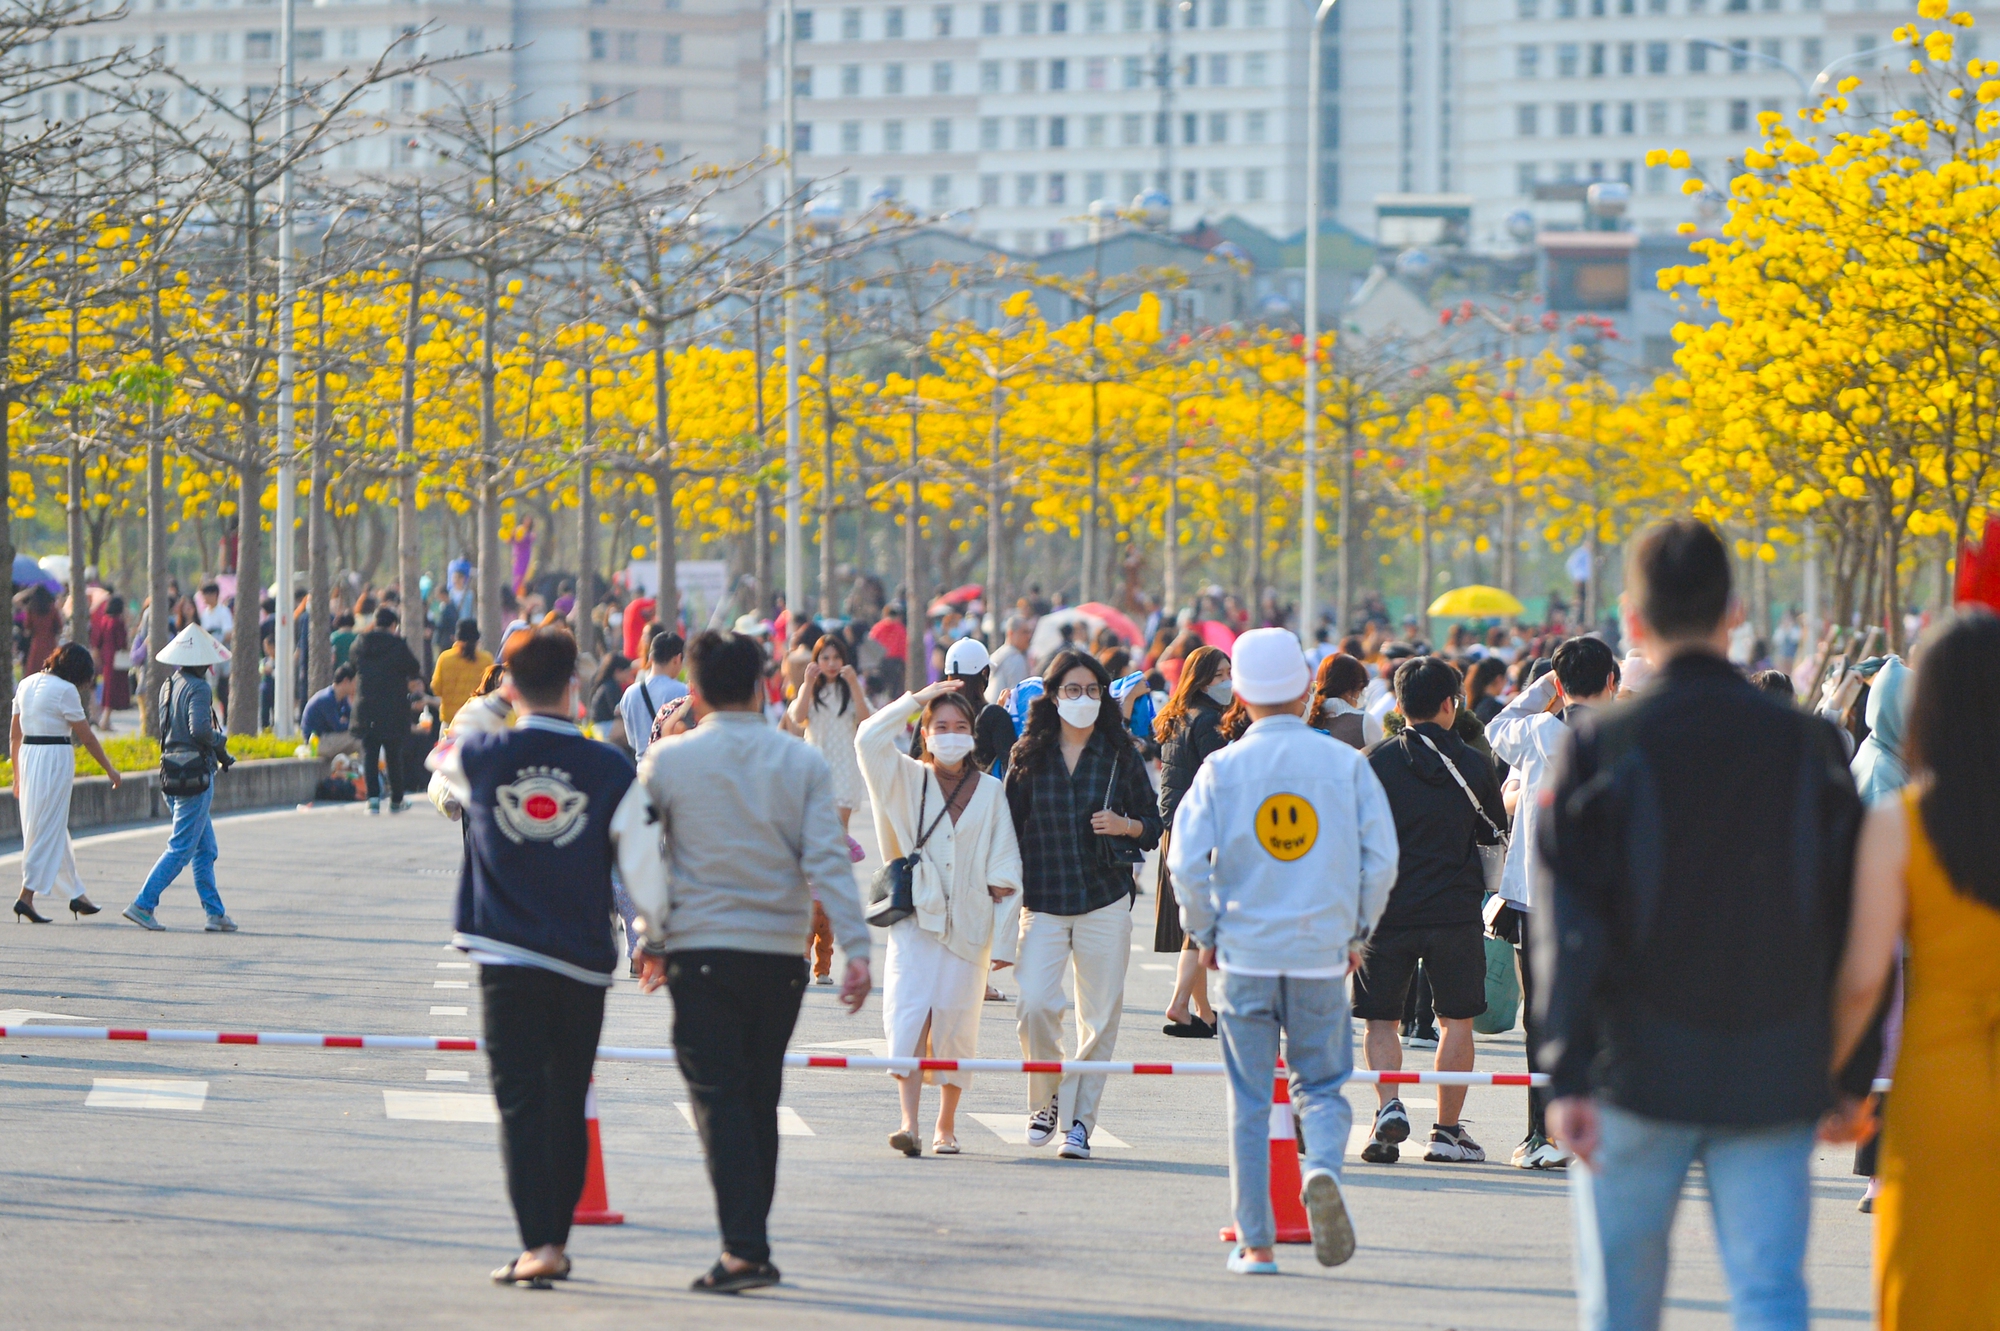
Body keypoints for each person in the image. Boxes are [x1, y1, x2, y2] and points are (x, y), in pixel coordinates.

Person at [1537, 520, 1864, 1331]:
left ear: (1633, 621)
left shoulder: (1598, 747)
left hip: (1632, 1069)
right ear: (1736, 613)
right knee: (1769, 1292)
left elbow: (1567, 925)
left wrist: (1564, 1071)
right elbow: (1850, 915)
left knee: (1622, 1303)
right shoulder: (1812, 744)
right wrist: (1844, 1073)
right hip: (1774, 1066)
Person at [623, 630, 873, 1294]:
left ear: (695, 693)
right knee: (758, 1095)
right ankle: (749, 1242)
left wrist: (649, 937)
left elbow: (642, 855)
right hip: (781, 957)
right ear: (763, 685)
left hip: (701, 952)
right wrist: (855, 949)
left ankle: (744, 1247)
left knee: (719, 1098)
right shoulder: (801, 764)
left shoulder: (668, 762)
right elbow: (828, 858)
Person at [1171, 628, 1399, 1274]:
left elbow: (1185, 862)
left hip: (1242, 953)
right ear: (1305, 689)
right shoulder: (1346, 763)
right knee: (1323, 1084)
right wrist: (1357, 930)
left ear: (1238, 692)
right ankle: (1321, 1167)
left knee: (1248, 1097)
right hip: (1321, 951)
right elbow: (1381, 860)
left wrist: (1207, 930)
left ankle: (1258, 1242)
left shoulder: (1223, 767)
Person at [427, 627, 646, 1291]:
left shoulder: (484, 751)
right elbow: (641, 863)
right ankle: (554, 1236)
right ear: (577, 686)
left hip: (504, 952)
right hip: (582, 957)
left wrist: (498, 707)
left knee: (520, 1100)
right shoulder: (611, 767)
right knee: (567, 1092)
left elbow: (438, 758)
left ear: (511, 685)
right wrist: (651, 936)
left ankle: (539, 1242)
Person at [1831, 610, 2000, 1331]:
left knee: (1930, 1289)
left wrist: (1838, 1086)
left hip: (1940, 1095)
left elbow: (1863, 979)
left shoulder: (1897, 824)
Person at [1003, 648, 1163, 1160]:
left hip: (1103, 900)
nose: (1083, 699)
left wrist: (1126, 826)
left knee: (1099, 1017)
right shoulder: (1028, 755)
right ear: (1051, 696)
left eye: (1092, 690)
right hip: (1043, 899)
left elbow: (1153, 826)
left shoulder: (1119, 754)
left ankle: (1080, 1123)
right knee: (1034, 1005)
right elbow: (1007, 829)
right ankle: (1046, 1098)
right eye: (1072, 690)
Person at [858, 678, 1023, 1156]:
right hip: (915, 921)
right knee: (908, 1019)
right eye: (940, 726)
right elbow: (867, 738)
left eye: (960, 726)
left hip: (969, 928)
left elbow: (1007, 865)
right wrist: (916, 699)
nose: (951, 734)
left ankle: (945, 1126)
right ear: (925, 733)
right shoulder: (906, 778)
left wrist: (1004, 944)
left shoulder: (991, 791)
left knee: (956, 1024)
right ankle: (908, 1122)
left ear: (973, 735)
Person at [1354, 656, 1509, 1165]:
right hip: (1455, 910)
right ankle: (1445, 1132)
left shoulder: (1373, 761)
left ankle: (1387, 1108)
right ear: (1450, 704)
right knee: (1455, 1021)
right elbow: (1492, 836)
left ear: (1398, 706)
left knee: (1381, 1020)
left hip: (1387, 910)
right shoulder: (1473, 764)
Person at [1485, 634, 1622, 1170]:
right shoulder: (1623, 736)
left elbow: (1496, 728)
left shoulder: (1537, 730)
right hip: (1605, 896)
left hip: (1535, 895)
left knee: (1541, 1016)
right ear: (1612, 681)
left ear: (1561, 685)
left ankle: (1542, 1133)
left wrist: (1539, 690)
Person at [126, 624, 237, 933]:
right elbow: (199, 731)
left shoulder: (169, 684)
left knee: (205, 849)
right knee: (182, 848)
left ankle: (215, 913)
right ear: (204, 662)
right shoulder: (199, 687)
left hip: (171, 772)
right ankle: (143, 904)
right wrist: (220, 741)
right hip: (194, 777)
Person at [1152, 643, 1233, 1038]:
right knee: (1200, 924)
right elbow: (1219, 781)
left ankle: (1202, 1010)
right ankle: (1181, 1002)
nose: (1227, 682)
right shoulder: (1208, 721)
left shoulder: (1175, 715)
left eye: (1228, 674)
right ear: (1201, 679)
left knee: (1192, 921)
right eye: (1219, 676)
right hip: (1201, 828)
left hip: (1173, 827)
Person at [11, 644, 122, 923]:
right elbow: (87, 737)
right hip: (54, 758)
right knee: (48, 827)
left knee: (50, 826)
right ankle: (26, 895)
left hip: (28, 756)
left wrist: (17, 775)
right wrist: (110, 769)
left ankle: (76, 895)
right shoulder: (65, 690)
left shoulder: (24, 684)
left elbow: (14, 736)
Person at [785, 630, 872, 841]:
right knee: (817, 829)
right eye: (825, 658)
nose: (831, 663)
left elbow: (865, 718)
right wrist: (807, 683)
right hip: (817, 767)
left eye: (836, 658)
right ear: (816, 661)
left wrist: (854, 685)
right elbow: (798, 716)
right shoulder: (812, 691)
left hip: (845, 766)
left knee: (840, 832)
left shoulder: (850, 690)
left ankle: (839, 869)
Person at [349, 605, 424, 813]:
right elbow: (414, 667)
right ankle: (396, 800)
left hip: (366, 706)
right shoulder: (398, 645)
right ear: (393, 625)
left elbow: (353, 664)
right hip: (393, 707)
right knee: (393, 754)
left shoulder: (360, 643)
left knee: (370, 754)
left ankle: (372, 799)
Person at [618, 630, 687, 759]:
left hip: (642, 769)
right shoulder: (683, 691)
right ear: (677, 659)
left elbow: (632, 742)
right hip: (671, 766)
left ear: (650, 658)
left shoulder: (629, 694)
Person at [430, 618, 492, 725]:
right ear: (477, 639)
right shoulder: (486, 660)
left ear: (455, 638)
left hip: (450, 722)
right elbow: (492, 690)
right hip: (477, 722)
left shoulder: (444, 658)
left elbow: (436, 689)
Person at [1305, 652, 1370, 749]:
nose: (1361, 693)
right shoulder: (1363, 721)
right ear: (1350, 688)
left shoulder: (1304, 717)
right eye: (1360, 687)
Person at [300, 665, 360, 758]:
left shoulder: (342, 699)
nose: (356, 687)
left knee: (362, 736)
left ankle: (361, 768)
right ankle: (367, 770)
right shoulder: (327, 699)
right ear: (346, 681)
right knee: (360, 740)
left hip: (328, 738)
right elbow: (338, 727)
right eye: (354, 683)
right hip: (317, 743)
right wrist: (353, 725)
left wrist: (351, 723)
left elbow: (352, 718)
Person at [90, 594, 131, 726]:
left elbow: (97, 641)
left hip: (105, 658)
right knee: (112, 690)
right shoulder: (118, 622)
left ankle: (104, 720)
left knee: (107, 688)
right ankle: (105, 720)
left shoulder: (104, 620)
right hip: (116, 659)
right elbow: (122, 643)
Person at [585, 653, 634, 747]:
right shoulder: (611, 686)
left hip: (601, 726)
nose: (629, 674)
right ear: (618, 671)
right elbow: (616, 711)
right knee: (630, 727)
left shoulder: (608, 684)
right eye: (627, 671)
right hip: (603, 727)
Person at [985, 614, 1036, 702]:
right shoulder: (1015, 659)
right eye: (1024, 632)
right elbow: (1018, 697)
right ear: (1011, 633)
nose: (1028, 636)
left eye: (1029, 632)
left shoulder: (998, 653)